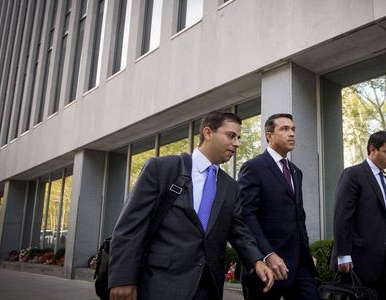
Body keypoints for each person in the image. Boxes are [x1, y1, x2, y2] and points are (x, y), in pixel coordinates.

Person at [108, 111, 274, 300]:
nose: (237, 143)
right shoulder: (163, 169)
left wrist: (257, 261)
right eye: (231, 136)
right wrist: (122, 278)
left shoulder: (231, 187)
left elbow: (239, 232)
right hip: (160, 284)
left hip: (208, 288)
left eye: (239, 137)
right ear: (208, 133)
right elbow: (131, 226)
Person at [238, 113, 319, 300]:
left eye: (293, 129)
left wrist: (307, 253)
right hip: (267, 266)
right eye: (284, 129)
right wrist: (267, 254)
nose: (291, 134)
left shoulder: (296, 172)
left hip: (300, 265)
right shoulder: (253, 167)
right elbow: (246, 215)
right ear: (269, 135)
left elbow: (299, 216)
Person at [331, 131, 386, 300]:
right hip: (361, 258)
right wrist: (343, 254)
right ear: (372, 149)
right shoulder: (353, 174)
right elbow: (342, 216)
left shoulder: (384, 178)